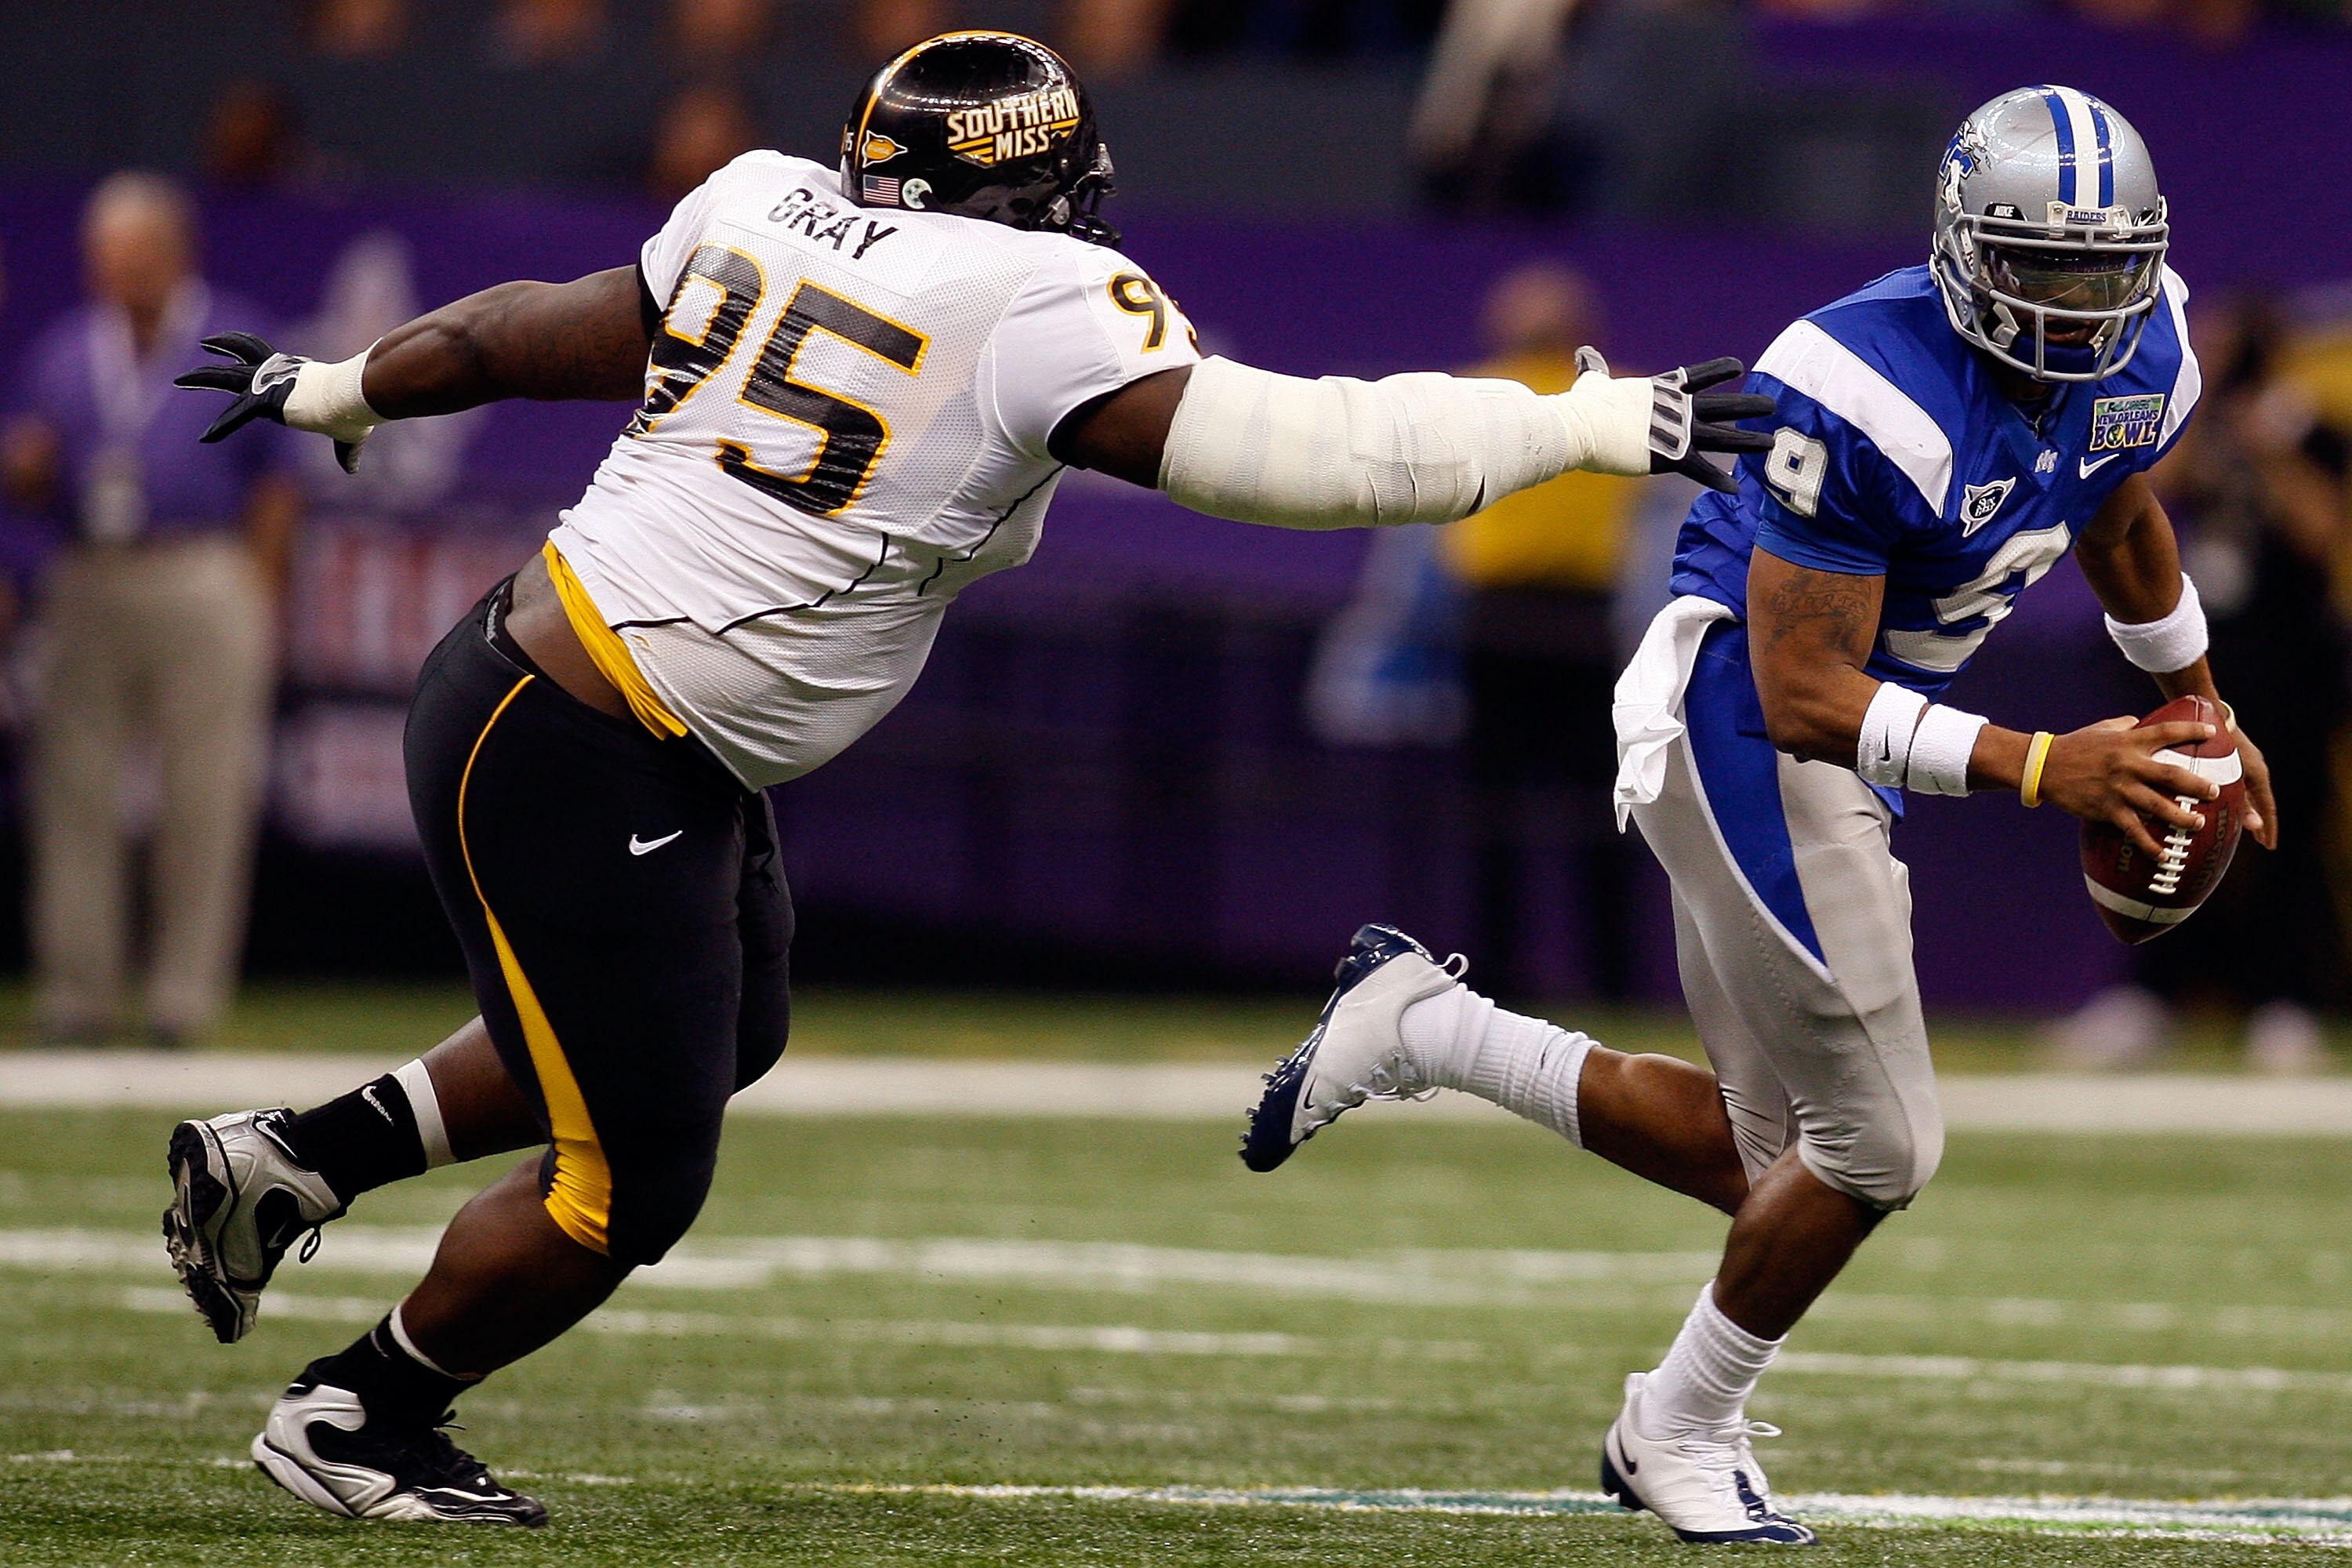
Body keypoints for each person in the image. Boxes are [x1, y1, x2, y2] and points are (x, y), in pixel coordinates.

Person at [165, 32, 1769, 1526]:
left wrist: (341, 385)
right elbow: (1321, 454)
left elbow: (534, 327)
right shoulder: (1031, 300)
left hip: (571, 696)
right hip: (589, 745)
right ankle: (356, 1413)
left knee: (721, 1027)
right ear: (1022, 191)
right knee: (626, 1178)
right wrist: (1599, 419)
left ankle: (295, 1157)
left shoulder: (760, 200)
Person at [1242, 85, 2278, 1544]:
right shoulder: (1860, 380)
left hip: (1836, 729)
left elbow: (2116, 513)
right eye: (2041, 267)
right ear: (1966, 249)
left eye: (2103, 271)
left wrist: (2201, 705)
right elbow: (1802, 691)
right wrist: (2052, 767)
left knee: (1780, 1157)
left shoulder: (2149, 339)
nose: (2075, 304)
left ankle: (1425, 1026)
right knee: (1883, 1149)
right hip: (1739, 710)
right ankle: (1676, 1424)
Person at [1, 172, 299, 1047]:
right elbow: (40, 467)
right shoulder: (64, 348)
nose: (113, 272)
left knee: (204, 790)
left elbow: (279, 481)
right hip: (91, 571)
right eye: (102, 257)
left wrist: (261, 590)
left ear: (174, 254)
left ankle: (181, 996)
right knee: (74, 788)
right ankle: (78, 991)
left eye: (130, 255)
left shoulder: (241, 338)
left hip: (202, 568)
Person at [2054, 294, 2348, 1073]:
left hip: (2290, 662)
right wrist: (2208, 401)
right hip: (2203, 653)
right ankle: (2151, 991)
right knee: (2169, 819)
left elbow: (2324, 533)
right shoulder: (2198, 418)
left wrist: (2274, 445)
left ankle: (2287, 1001)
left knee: (2283, 831)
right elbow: (2141, 495)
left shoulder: (2306, 429)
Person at [1446, 263, 1643, 998]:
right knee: (1601, 804)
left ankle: (1493, 976)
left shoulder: (1472, 394)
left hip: (1500, 618)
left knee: (1495, 803)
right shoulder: (1617, 398)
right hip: (1578, 621)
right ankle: (1612, 977)